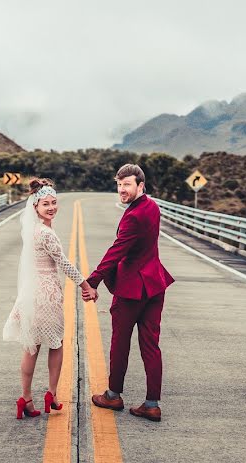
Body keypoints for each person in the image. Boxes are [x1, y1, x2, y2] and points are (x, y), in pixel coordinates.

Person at [86, 164, 174, 422]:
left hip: (132, 288)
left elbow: (118, 249)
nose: (122, 190)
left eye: (127, 185)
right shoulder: (152, 207)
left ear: (140, 186)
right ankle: (152, 403)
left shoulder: (133, 216)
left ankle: (113, 396)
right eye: (119, 184)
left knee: (120, 343)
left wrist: (94, 280)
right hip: (154, 285)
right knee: (151, 345)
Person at [3, 178, 97, 419]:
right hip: (46, 294)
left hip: (29, 292)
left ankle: (25, 398)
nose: (52, 207)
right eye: (46, 204)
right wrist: (86, 285)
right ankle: (52, 394)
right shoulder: (46, 234)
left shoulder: (32, 231)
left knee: (31, 345)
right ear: (35, 206)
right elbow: (64, 263)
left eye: (54, 202)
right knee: (57, 343)